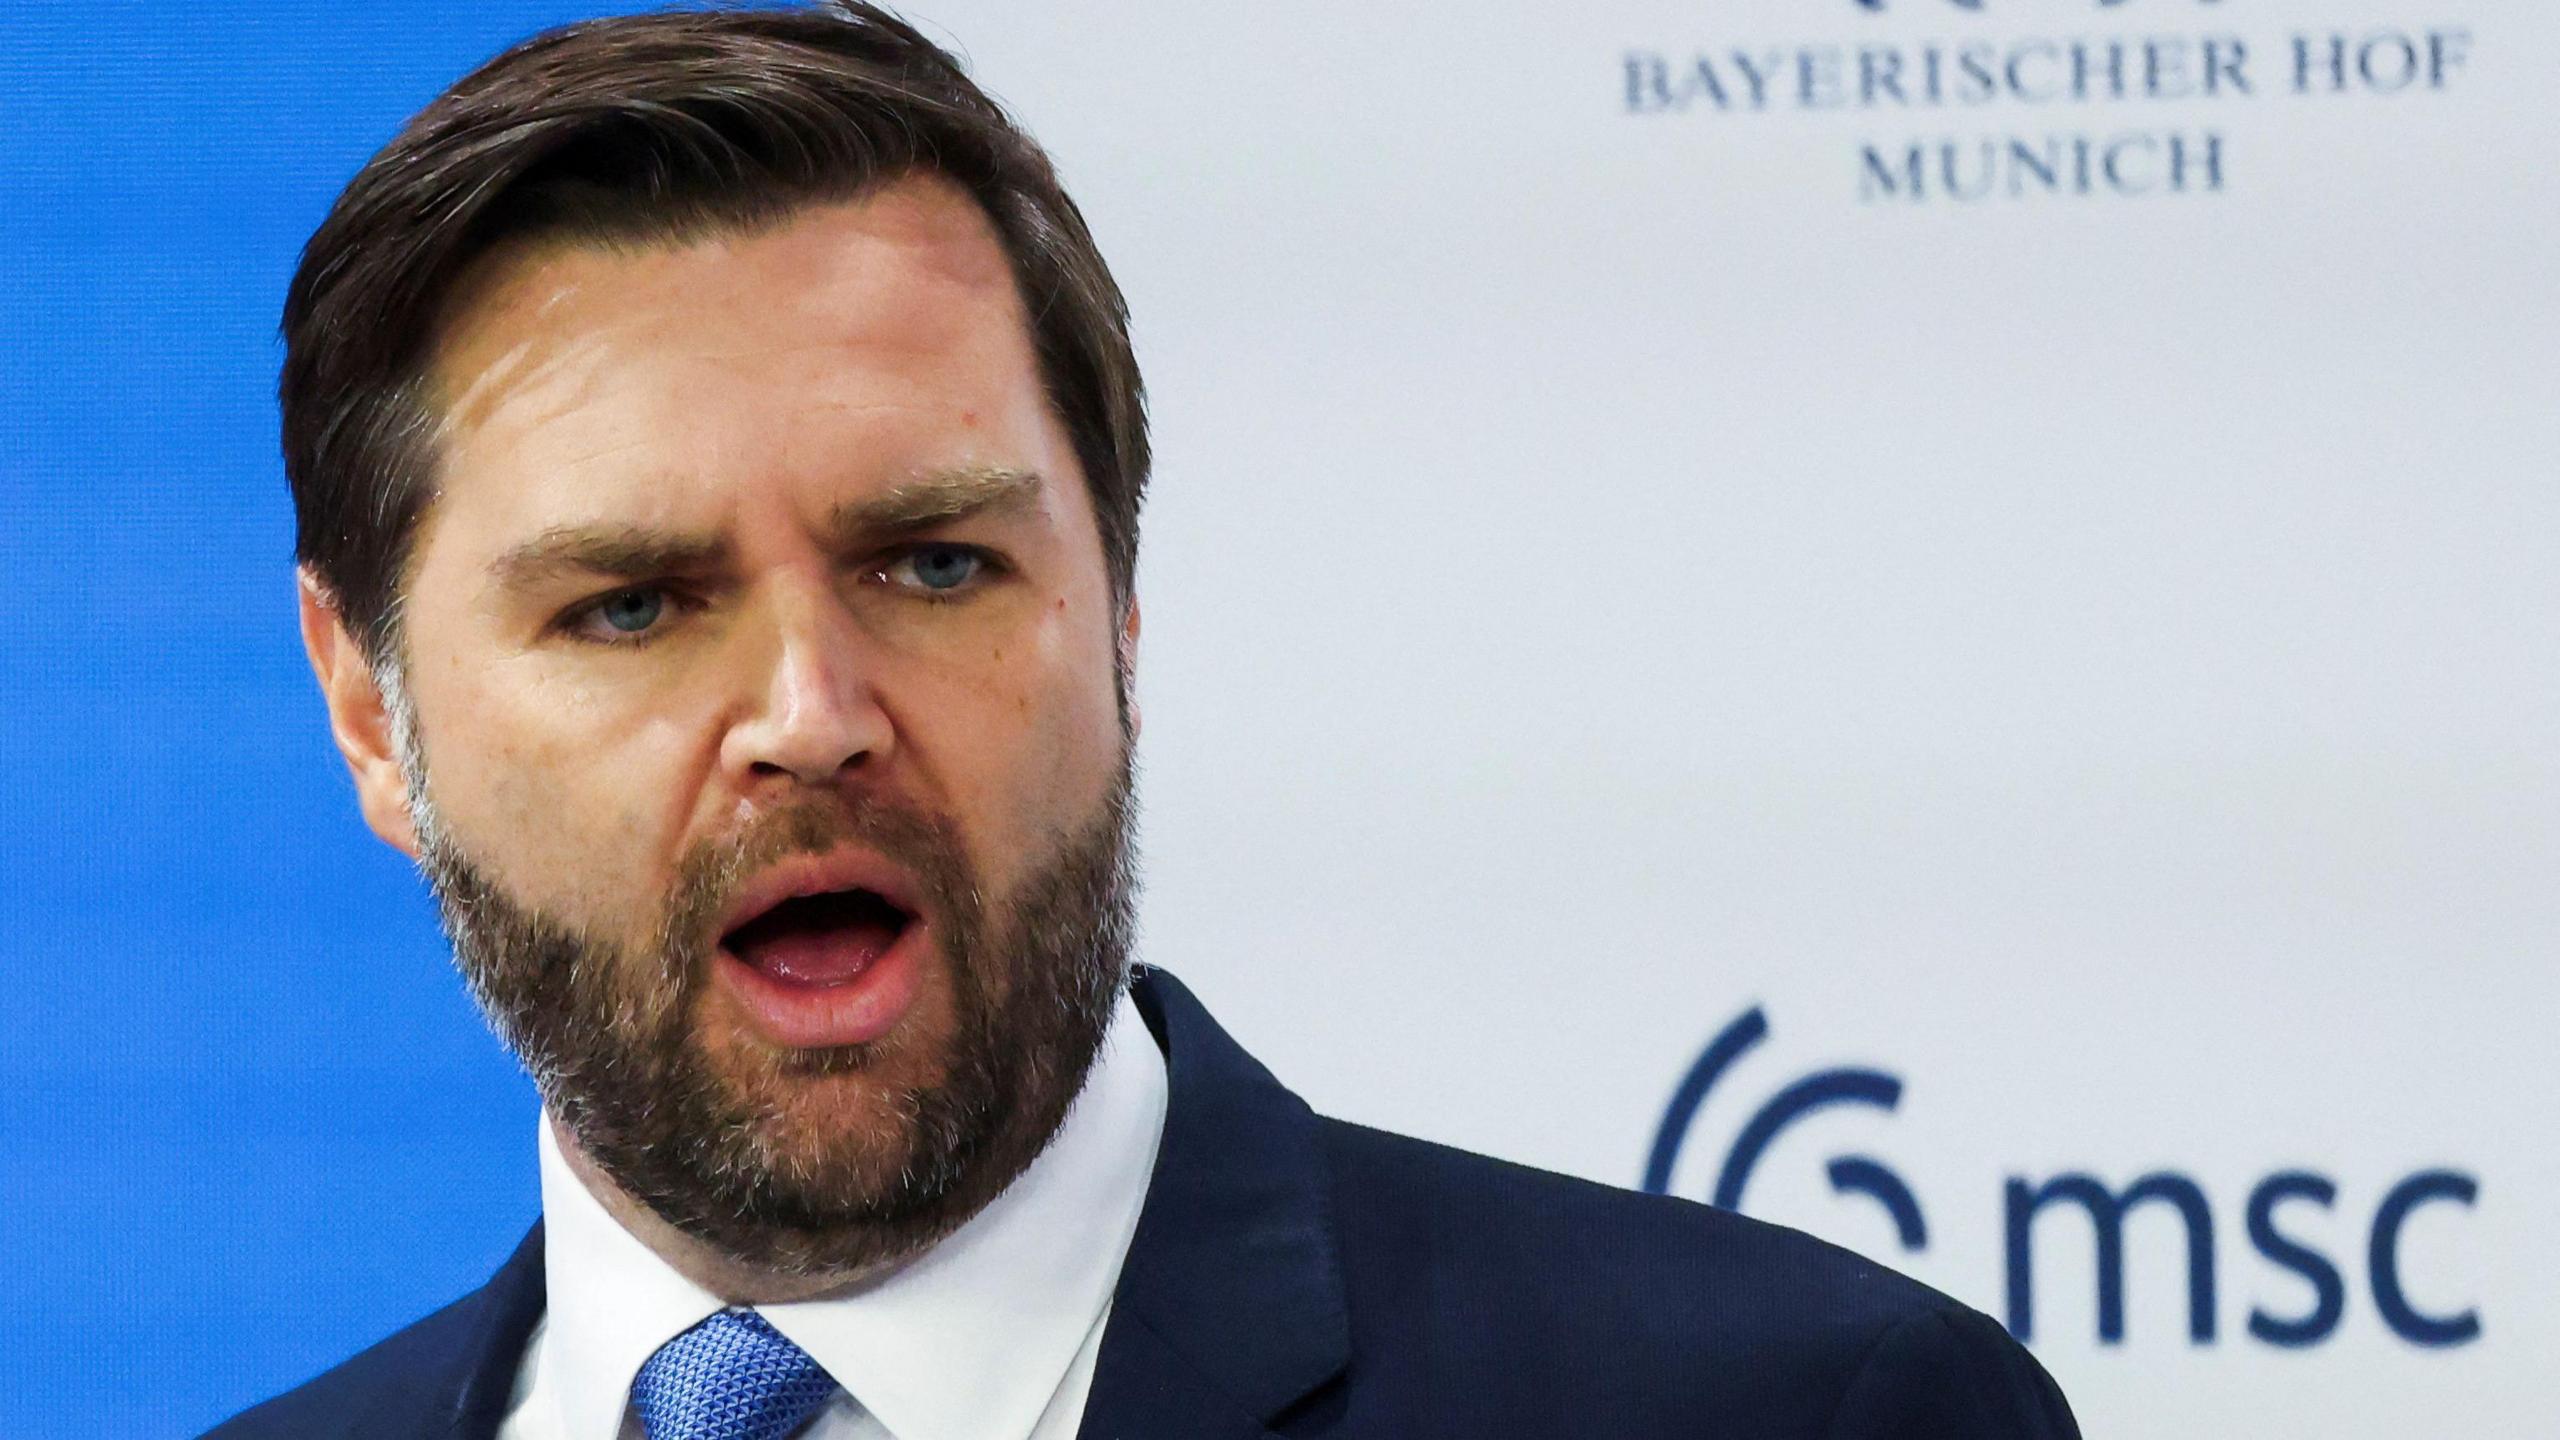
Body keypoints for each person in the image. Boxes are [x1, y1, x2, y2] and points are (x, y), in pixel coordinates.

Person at [209, 5, 2081, 1437]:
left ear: (1116, 605)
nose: (810, 716)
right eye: (631, 606)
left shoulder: (1791, 1415)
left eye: (932, 564)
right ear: (370, 711)